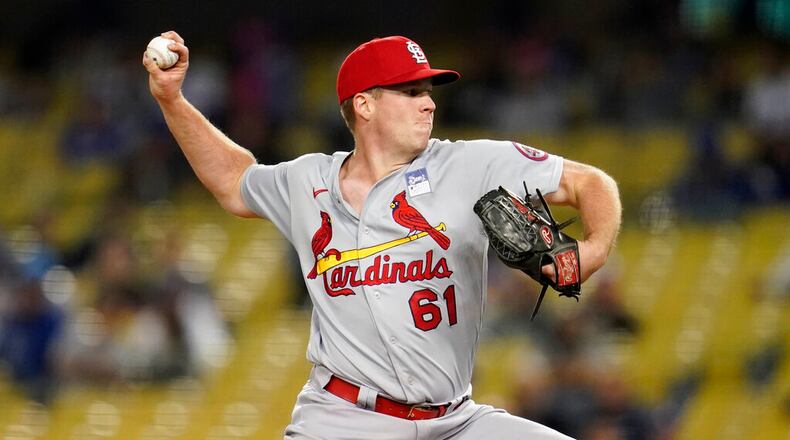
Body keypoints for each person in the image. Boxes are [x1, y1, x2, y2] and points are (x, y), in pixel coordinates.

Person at [143, 31, 622, 440]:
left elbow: (590, 183)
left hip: (454, 421)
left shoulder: (469, 164)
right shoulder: (308, 182)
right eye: (411, 91)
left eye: (429, 90)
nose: (430, 101)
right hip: (343, 420)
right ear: (364, 104)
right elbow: (234, 182)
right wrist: (172, 99)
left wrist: (591, 251)